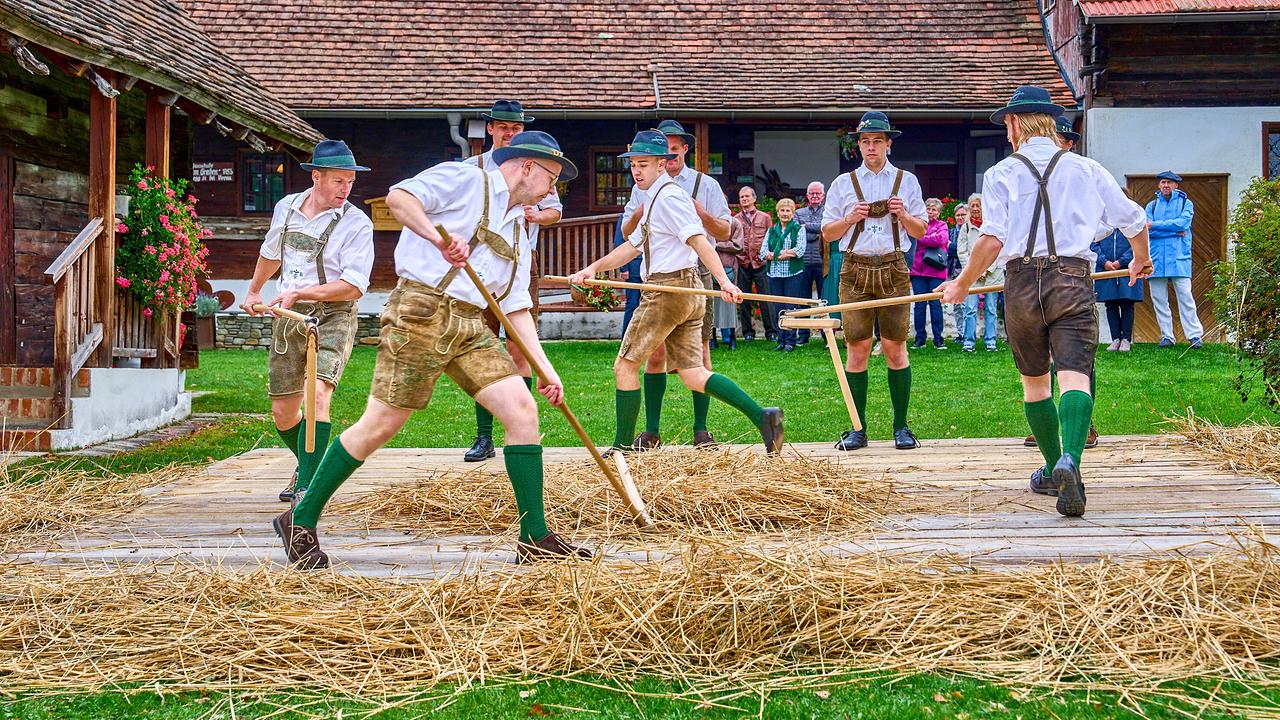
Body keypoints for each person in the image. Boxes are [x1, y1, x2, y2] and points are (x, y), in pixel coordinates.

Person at [275, 131, 590, 569]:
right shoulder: (464, 180)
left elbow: (515, 305)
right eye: (552, 179)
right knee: (381, 424)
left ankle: (534, 537)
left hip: (469, 324)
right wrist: (437, 239)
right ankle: (301, 518)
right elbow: (400, 198)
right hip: (420, 312)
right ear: (526, 167)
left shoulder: (518, 227)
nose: (552, 191)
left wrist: (544, 367)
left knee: (523, 412)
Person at [940, 86, 1151, 518]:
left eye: (1008, 126)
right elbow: (1134, 219)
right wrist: (1141, 261)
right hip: (1072, 278)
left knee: (1035, 383)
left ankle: (1054, 469)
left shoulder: (1000, 173)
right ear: (1052, 125)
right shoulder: (1087, 168)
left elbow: (993, 238)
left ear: (1016, 124)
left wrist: (961, 283)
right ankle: (1070, 460)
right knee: (1075, 377)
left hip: (1020, 284)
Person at [569, 129, 785, 455]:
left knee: (624, 366)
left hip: (668, 291)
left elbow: (697, 239)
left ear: (662, 164)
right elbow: (631, 247)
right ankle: (763, 416)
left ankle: (622, 448)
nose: (636, 170)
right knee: (693, 374)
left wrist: (725, 282)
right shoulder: (652, 197)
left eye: (643, 164)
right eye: (633, 165)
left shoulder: (668, 197)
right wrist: (594, 269)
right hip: (686, 292)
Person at [240, 139, 374, 503]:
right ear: (316, 176)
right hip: (288, 317)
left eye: (350, 182)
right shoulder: (286, 208)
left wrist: (302, 294)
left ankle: (309, 490)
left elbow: (353, 286)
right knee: (284, 412)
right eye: (338, 181)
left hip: (332, 316)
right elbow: (271, 253)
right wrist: (254, 292)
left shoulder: (357, 224)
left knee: (317, 396)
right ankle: (308, 463)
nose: (345, 190)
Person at [620, 119, 734, 448]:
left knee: (699, 354)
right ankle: (651, 431)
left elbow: (723, 232)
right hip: (659, 276)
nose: (667, 154)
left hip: (697, 272)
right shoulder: (643, 185)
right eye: (661, 148)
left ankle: (702, 430)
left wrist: (701, 213)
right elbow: (629, 235)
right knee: (654, 353)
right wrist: (641, 212)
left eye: (672, 148)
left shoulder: (705, 185)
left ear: (684, 149)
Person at [462, 100, 564, 463]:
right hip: (479, 267)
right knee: (483, 348)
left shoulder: (536, 165)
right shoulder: (472, 168)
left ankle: (516, 427)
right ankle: (483, 435)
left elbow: (555, 211)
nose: (510, 132)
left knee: (520, 347)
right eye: (503, 126)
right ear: (490, 129)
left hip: (521, 266)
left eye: (516, 127)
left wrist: (537, 214)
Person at [821, 111, 928, 451]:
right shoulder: (843, 184)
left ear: (888, 144)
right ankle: (857, 428)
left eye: (877, 141)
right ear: (859, 147)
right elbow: (827, 233)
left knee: (896, 347)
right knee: (858, 349)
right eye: (865, 142)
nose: (870, 147)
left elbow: (921, 230)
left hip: (894, 268)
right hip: (854, 270)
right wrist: (849, 218)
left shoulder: (906, 181)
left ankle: (901, 427)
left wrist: (904, 215)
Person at [1145, 171, 1202, 349]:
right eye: (1163, 182)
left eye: (1169, 182)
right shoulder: (1151, 206)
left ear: (1176, 185)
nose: (1166, 185)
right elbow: (1146, 230)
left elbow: (1183, 224)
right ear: (1159, 185)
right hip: (1156, 259)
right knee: (1159, 299)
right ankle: (1167, 336)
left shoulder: (1186, 203)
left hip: (1179, 258)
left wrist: (1156, 225)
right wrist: (1172, 231)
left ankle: (1194, 336)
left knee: (1186, 297)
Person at [760, 198, 807, 351]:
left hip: (793, 274)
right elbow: (763, 252)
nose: (785, 213)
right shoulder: (771, 230)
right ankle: (780, 341)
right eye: (782, 210)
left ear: (793, 213)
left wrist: (776, 255)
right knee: (778, 308)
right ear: (778, 212)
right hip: (774, 274)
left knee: (791, 307)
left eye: (788, 211)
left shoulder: (799, 229)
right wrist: (784, 253)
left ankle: (790, 342)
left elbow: (799, 251)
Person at [953, 202, 1001, 351]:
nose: (975, 209)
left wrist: (985, 269)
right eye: (972, 206)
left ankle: (990, 341)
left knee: (991, 308)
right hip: (972, 276)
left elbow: (998, 250)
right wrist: (974, 271)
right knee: (970, 308)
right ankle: (969, 341)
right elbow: (962, 252)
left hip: (992, 275)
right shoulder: (965, 228)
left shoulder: (992, 226)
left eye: (978, 205)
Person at [1093, 224, 1144, 352]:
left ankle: (1126, 339)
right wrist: (1104, 261)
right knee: (1110, 304)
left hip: (1127, 269)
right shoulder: (1100, 226)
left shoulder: (1130, 226)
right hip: (1105, 269)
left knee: (1127, 303)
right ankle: (1115, 339)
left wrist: (1121, 261)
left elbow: (1136, 245)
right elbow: (1093, 244)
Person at [734, 186, 774, 342]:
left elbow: (771, 239)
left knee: (765, 298)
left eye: (747, 196)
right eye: (741, 197)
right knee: (743, 299)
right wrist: (739, 256)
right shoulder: (735, 219)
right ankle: (747, 332)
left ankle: (770, 331)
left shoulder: (765, 218)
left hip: (760, 262)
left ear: (754, 198)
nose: (744, 199)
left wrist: (766, 256)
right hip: (742, 262)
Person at [910, 198, 950, 349]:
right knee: (919, 305)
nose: (931, 212)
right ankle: (920, 339)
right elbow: (913, 238)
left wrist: (922, 238)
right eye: (928, 208)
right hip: (917, 271)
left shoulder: (942, 225)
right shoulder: (918, 224)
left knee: (936, 305)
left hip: (936, 271)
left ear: (939, 213)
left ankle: (938, 339)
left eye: (934, 209)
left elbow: (941, 239)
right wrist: (928, 239)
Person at [794, 181, 826, 344]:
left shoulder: (828, 212)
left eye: (817, 193)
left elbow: (825, 227)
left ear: (823, 195)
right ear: (807, 196)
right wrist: (817, 232)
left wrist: (806, 227)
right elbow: (796, 230)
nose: (814, 196)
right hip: (804, 261)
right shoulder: (799, 212)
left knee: (823, 300)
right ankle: (803, 334)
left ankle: (825, 334)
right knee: (803, 299)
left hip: (822, 261)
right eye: (811, 193)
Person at [713, 207, 744, 349]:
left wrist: (716, 245)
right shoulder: (708, 223)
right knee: (710, 303)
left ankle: (731, 338)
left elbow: (738, 245)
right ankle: (711, 338)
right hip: (709, 267)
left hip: (728, 267)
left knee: (729, 303)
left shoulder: (735, 223)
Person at [615, 215, 642, 335]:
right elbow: (620, 241)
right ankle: (626, 337)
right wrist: (624, 267)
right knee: (633, 304)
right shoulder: (627, 216)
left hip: (652, 268)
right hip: (634, 268)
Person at [947, 205, 970, 344]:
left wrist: (953, 247)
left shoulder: (970, 231)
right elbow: (947, 249)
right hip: (953, 271)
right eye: (958, 215)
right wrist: (955, 249)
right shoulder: (950, 233)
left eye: (963, 215)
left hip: (966, 271)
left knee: (967, 304)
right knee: (956, 304)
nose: (960, 217)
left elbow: (968, 251)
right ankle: (960, 333)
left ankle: (968, 333)